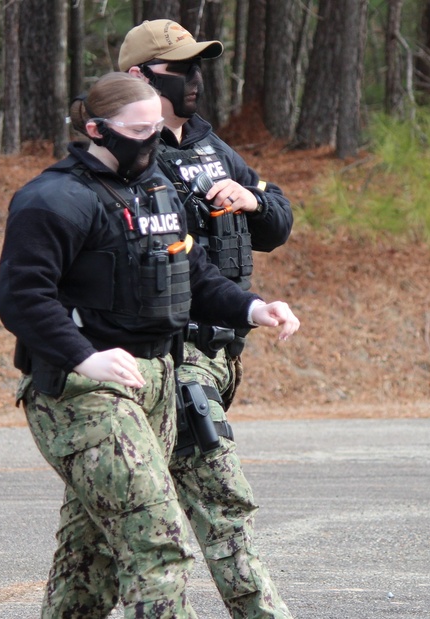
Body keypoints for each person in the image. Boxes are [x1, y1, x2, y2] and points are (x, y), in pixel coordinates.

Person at [0, 72, 300, 619]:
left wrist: (254, 308)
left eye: (157, 128)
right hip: (84, 390)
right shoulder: (53, 200)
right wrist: (85, 355)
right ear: (96, 129)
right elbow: (22, 300)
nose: (152, 140)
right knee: (158, 545)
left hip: (156, 381)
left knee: (88, 562)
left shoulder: (156, 189)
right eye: (139, 131)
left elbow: (193, 273)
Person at [120, 19, 295, 618]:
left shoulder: (208, 145)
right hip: (177, 355)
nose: (195, 79)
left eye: (200, 67)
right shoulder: (135, 157)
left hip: (223, 354)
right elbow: (179, 268)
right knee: (223, 510)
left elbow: (277, 219)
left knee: (94, 547)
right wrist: (251, 306)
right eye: (181, 68)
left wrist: (254, 199)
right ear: (140, 77)